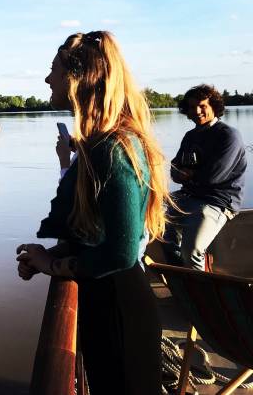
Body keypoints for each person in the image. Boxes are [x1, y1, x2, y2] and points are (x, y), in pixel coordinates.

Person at [16, 31, 168, 395]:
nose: (47, 79)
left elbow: (120, 250)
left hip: (119, 309)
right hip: (110, 301)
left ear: (77, 78)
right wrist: (48, 256)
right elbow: (96, 233)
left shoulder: (112, 147)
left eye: (53, 70)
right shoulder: (104, 142)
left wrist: (51, 266)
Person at [163, 84, 247, 270]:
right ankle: (183, 279)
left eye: (202, 106)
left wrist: (188, 174)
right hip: (189, 196)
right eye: (192, 107)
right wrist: (185, 174)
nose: (197, 111)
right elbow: (175, 170)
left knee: (191, 250)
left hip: (217, 201)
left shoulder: (228, 135)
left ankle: (200, 293)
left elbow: (213, 176)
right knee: (157, 224)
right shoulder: (190, 136)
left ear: (213, 107)